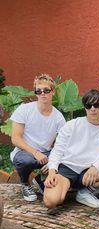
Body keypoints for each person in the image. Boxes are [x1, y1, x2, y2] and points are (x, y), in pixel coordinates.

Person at [43, 89, 99, 209]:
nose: (93, 108)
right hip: (68, 168)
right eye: (89, 105)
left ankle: (84, 192)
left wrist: (95, 167)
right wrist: (52, 172)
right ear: (85, 107)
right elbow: (57, 151)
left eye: (96, 105)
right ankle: (59, 187)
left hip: (89, 172)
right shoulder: (72, 125)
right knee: (52, 202)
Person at [10, 74, 66, 202]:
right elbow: (16, 139)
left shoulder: (58, 117)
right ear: (35, 92)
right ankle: (25, 183)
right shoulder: (25, 109)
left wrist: (53, 160)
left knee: (65, 159)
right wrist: (36, 153)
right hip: (25, 153)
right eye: (38, 91)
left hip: (46, 154)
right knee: (25, 161)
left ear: (53, 91)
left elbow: (63, 143)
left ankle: (40, 180)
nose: (42, 94)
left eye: (46, 90)